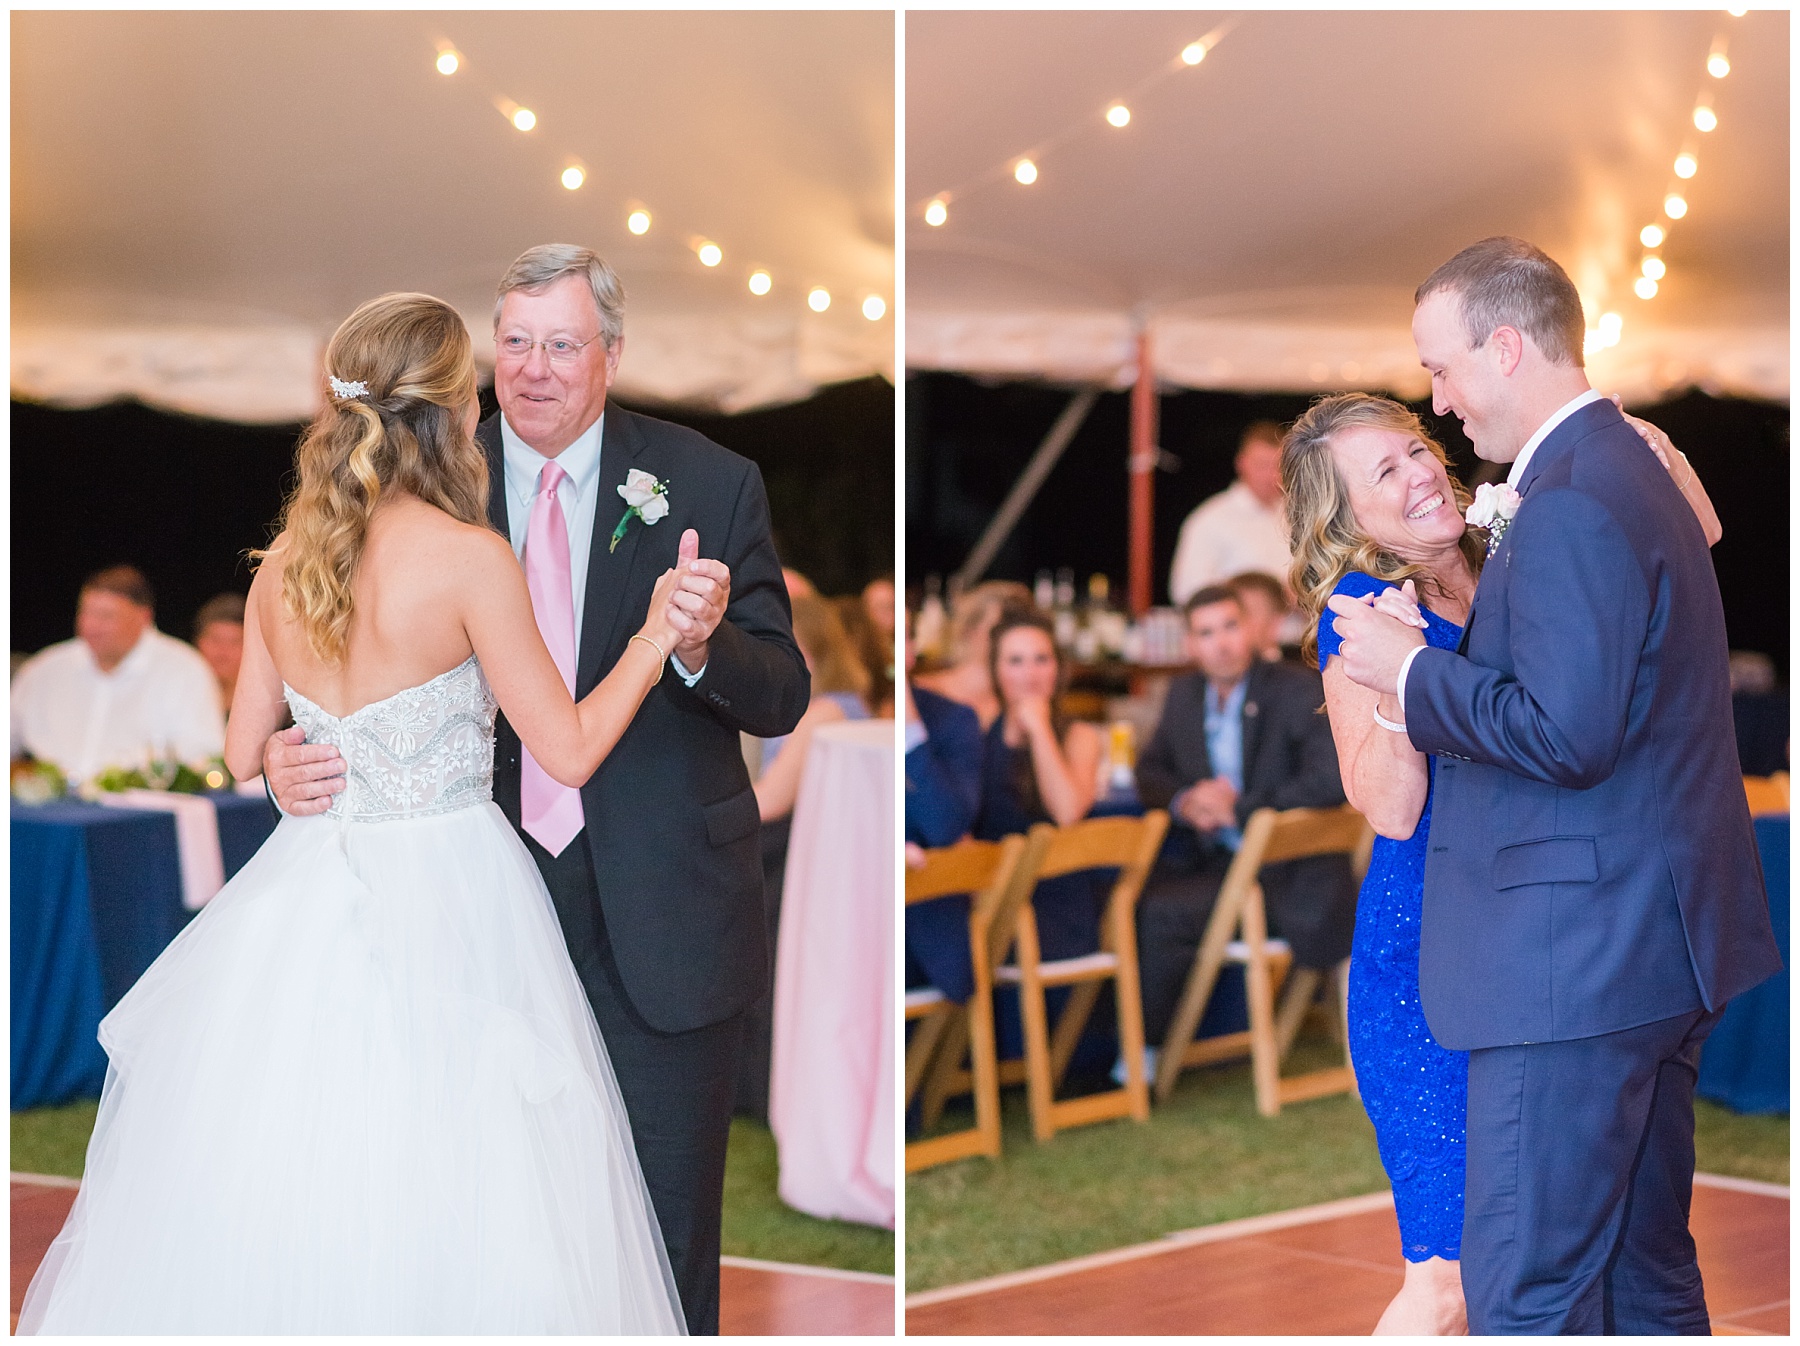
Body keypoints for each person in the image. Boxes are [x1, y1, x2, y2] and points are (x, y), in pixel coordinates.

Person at [19, 293, 692, 1333]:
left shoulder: (285, 564)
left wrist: (289, 757)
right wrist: (653, 637)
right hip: (455, 891)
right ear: (452, 412)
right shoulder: (469, 558)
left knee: (296, 1166)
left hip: (305, 889)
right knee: (469, 1175)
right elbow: (564, 746)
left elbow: (243, 750)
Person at [263, 247, 808, 1335]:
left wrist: (698, 644)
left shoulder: (707, 477)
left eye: (563, 344)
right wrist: (288, 754)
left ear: (610, 355)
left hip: (666, 916)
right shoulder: (436, 479)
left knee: (663, 1238)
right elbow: (337, 652)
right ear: (482, 358)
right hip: (474, 925)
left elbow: (783, 688)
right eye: (516, 342)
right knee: (482, 1234)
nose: (536, 368)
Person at [1311, 237, 1775, 1336]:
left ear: (1505, 347)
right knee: (1640, 1276)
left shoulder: (1563, 497)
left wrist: (1416, 672)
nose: (1441, 405)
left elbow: (1569, 732)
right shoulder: (1603, 472)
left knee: (1533, 1294)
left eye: (1441, 371)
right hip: (1635, 944)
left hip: (1569, 962)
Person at [1132, 585, 1352, 1064]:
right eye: (1206, 632)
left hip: (1290, 876)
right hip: (1218, 863)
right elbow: (1148, 772)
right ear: (1190, 644)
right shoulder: (1183, 694)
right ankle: (1151, 1046)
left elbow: (1331, 780)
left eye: (1230, 626)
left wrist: (1241, 807)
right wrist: (1186, 800)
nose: (1222, 642)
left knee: (1163, 912)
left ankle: (1147, 1057)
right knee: (1140, 897)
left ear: (1250, 629)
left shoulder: (1295, 688)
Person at [736, 592, 870, 1119]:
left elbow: (770, 801)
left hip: (793, 857)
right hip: (811, 856)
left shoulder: (826, 711)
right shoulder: (844, 704)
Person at [11, 565, 224, 782]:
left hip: (141, 807)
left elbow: (204, 755)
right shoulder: (45, 669)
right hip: (51, 807)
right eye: (87, 613)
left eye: (106, 616)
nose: (92, 625)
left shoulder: (184, 670)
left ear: (144, 617)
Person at [1168, 421, 1291, 608]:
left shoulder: (1296, 515)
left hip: (1298, 633)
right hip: (1240, 636)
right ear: (1241, 464)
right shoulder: (1211, 519)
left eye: (1277, 466)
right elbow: (1187, 591)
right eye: (1262, 465)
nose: (1270, 475)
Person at [912, 579, 1032, 730]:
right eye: (1001, 628)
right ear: (969, 630)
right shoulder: (921, 693)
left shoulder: (1024, 702)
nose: (1010, 638)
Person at [192, 592, 246, 716]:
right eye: (215, 640)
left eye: (235, 642)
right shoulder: (178, 698)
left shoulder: (272, 710)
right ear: (198, 642)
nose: (223, 652)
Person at [1224, 570, 1293, 663]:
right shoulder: (1204, 674)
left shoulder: (1306, 672)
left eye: (1245, 613)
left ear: (1275, 621)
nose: (1235, 624)